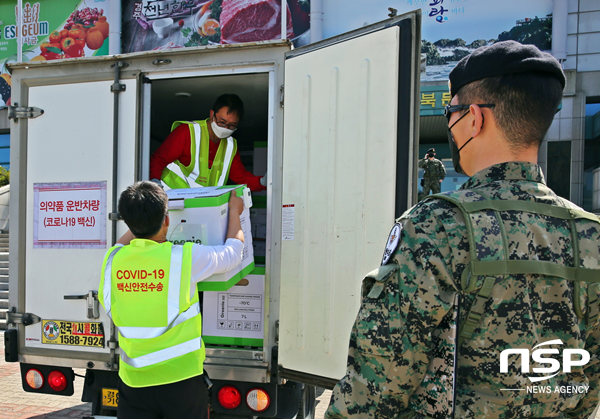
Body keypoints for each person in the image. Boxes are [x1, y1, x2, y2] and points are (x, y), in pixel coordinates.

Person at [325, 41, 600, 419]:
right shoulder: (591, 236)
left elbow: (379, 381)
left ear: (474, 117)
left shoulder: (438, 226)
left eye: (451, 112)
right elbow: (588, 383)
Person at [98, 181, 245, 419]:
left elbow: (123, 242)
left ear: (127, 222)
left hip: (134, 383)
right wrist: (235, 211)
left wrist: (139, 216)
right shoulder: (184, 257)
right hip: (181, 381)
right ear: (167, 220)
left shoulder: (113, 259)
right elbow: (232, 254)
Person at [150, 93, 267, 192]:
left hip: (202, 205)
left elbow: (241, 177)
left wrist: (262, 182)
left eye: (232, 125)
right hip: (172, 199)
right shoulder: (188, 132)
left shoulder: (230, 146)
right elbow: (158, 159)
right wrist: (154, 185)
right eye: (222, 122)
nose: (226, 128)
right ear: (212, 114)